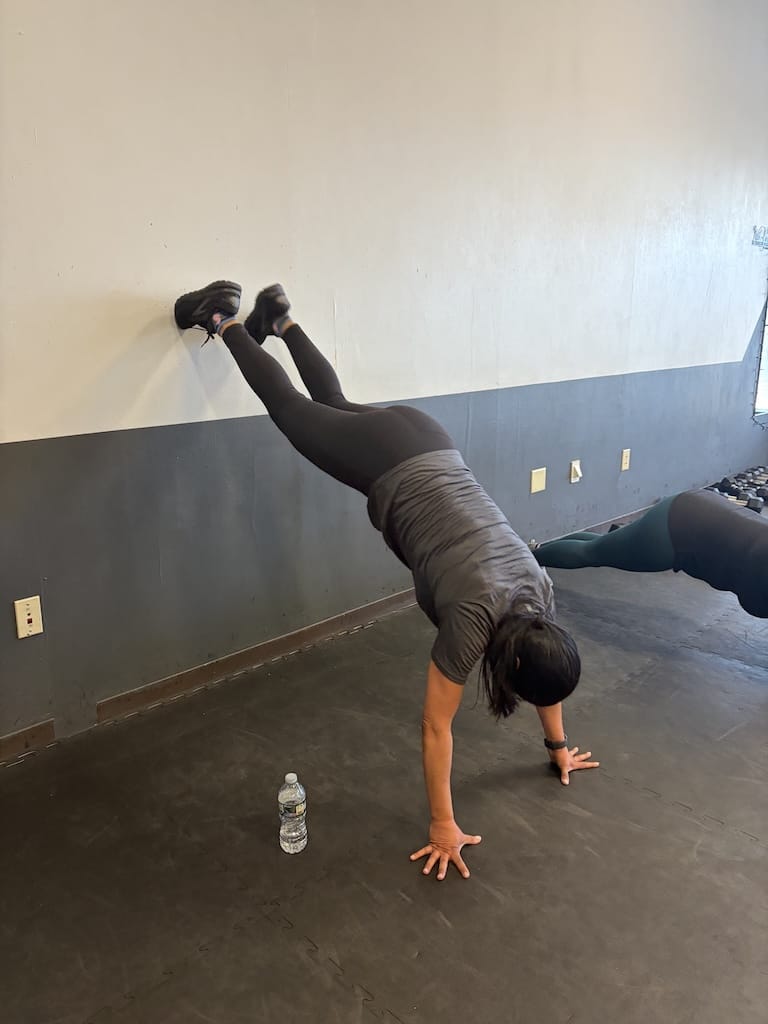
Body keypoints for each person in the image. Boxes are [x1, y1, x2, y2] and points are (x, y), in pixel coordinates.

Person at [174, 280, 599, 880]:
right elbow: (435, 727)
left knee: (333, 403)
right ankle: (221, 318)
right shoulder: (472, 623)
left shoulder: (538, 595)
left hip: (428, 440)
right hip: (394, 464)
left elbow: (545, 677)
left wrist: (558, 748)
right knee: (292, 414)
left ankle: (280, 321)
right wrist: (443, 824)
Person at [532, 492, 768, 617]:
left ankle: (533, 553)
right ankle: (527, 559)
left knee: (600, 547)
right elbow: (753, 605)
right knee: (591, 553)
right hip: (675, 531)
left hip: (699, 507)